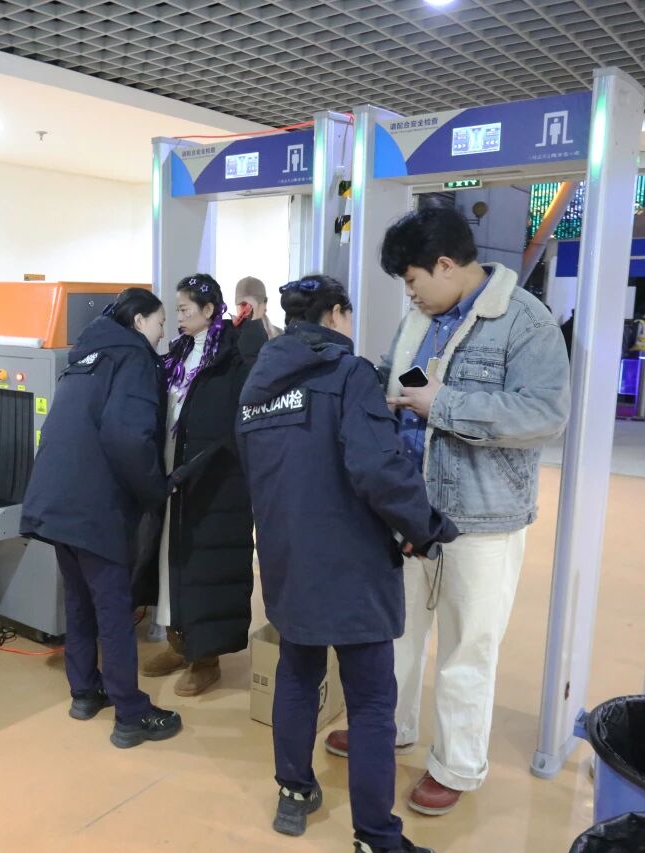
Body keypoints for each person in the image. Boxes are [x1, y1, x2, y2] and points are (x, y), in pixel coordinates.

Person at [325, 207, 571, 815]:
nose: (409, 294)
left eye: (412, 280)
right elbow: (405, 377)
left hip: (481, 518)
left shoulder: (524, 321)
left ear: (445, 265)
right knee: (398, 632)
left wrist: (443, 403)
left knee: (468, 646)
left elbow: (545, 415)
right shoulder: (421, 319)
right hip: (410, 508)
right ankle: (390, 726)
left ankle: (456, 765)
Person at [237, 274, 456, 852]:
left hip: (286, 558)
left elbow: (264, 465)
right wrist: (427, 527)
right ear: (336, 314)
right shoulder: (349, 374)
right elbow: (378, 469)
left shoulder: (256, 387)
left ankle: (293, 792)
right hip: (353, 565)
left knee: (297, 675)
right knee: (372, 702)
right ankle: (377, 837)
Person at [20, 288, 182, 748]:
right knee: (113, 609)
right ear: (139, 322)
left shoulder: (85, 357)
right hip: (94, 506)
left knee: (78, 598)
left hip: (55, 497)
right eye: (160, 322)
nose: (163, 332)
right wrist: (155, 490)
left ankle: (84, 692)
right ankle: (130, 714)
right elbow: (127, 437)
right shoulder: (134, 359)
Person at [139, 274, 254, 697]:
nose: (179, 318)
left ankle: (206, 658)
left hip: (211, 483)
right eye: (177, 310)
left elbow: (231, 429)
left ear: (209, 310)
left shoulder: (231, 361)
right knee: (170, 564)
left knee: (206, 569)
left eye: (185, 310)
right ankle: (178, 643)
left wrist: (195, 467)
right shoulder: (178, 353)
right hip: (172, 476)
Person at [233, 275, 283, 367]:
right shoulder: (227, 337)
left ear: (265, 303)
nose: (248, 310)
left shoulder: (280, 337)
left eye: (252, 304)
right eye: (243, 304)